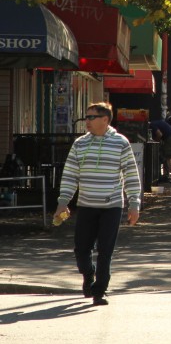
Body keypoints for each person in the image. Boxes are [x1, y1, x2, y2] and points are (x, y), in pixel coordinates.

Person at [54, 102, 141, 306]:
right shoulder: (80, 144)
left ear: (105, 120)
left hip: (111, 206)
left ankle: (100, 290)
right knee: (81, 248)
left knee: (105, 249)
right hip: (86, 204)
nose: (87, 121)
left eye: (91, 117)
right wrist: (62, 202)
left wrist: (134, 204)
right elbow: (70, 175)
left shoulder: (121, 143)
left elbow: (130, 175)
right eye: (86, 117)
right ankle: (88, 274)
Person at [148, 116, 171, 183]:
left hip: (170, 137)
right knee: (165, 155)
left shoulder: (152, 125)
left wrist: (156, 142)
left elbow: (159, 134)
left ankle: (166, 175)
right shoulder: (155, 123)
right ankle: (165, 173)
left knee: (166, 156)